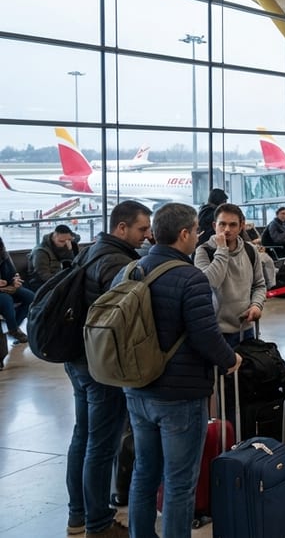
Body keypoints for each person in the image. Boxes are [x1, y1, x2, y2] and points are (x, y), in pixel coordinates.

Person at [123, 202, 242, 538]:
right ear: (185, 233)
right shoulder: (190, 278)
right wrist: (230, 359)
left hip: (137, 389)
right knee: (179, 481)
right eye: (196, 231)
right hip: (179, 395)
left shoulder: (132, 270)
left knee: (144, 473)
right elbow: (206, 336)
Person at [65, 200, 152, 538]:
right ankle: (99, 524)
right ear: (122, 227)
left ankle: (78, 515)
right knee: (102, 445)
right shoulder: (118, 263)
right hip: (100, 365)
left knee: (82, 436)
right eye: (142, 229)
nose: (147, 236)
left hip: (77, 357)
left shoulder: (90, 251)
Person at [194, 203, 266, 347]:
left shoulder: (250, 250)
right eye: (222, 224)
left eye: (233, 225)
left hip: (245, 327)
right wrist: (222, 250)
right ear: (214, 225)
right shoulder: (203, 251)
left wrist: (256, 305)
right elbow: (211, 283)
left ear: (241, 226)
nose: (227, 229)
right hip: (216, 332)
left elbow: (259, 285)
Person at [0, 236, 34, 343]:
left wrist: (15, 279)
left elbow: (13, 273)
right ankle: (14, 329)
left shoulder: (3, 255)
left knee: (31, 297)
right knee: (7, 300)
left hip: (7, 287)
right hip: (3, 292)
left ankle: (13, 325)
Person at [29, 224, 78, 292]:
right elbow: (43, 275)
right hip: (42, 284)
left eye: (69, 240)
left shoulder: (63, 244)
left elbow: (77, 237)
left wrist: (69, 249)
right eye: (62, 241)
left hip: (58, 277)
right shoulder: (41, 252)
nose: (66, 244)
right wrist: (64, 282)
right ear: (53, 237)